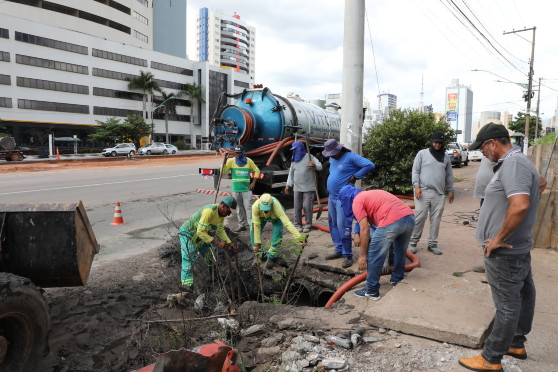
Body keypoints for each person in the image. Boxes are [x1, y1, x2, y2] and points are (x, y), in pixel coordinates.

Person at [458, 123, 540, 372]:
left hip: (504, 250)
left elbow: (520, 205)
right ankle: (516, 343)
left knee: (507, 303)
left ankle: (491, 357)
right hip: (517, 246)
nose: (481, 153)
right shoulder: (519, 163)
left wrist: (497, 237)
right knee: (524, 294)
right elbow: (541, 183)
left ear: (493, 143)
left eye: (482, 147)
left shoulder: (513, 164)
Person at [338, 185, 415, 300]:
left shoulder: (356, 202)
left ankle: (371, 290)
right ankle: (397, 279)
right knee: (400, 250)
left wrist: (362, 256)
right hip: (409, 217)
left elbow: (365, 229)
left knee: (374, 254)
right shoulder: (368, 194)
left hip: (392, 220)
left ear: (346, 199)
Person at [322, 139, 375, 268]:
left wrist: (356, 175)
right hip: (332, 197)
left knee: (343, 225)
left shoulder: (351, 157)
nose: (330, 155)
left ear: (338, 150)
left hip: (343, 198)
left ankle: (347, 254)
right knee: (333, 223)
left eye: (332, 153)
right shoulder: (332, 159)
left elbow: (370, 165)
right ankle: (339, 249)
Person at [408, 131, 455, 255]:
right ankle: (412, 243)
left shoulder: (445, 157)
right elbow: (415, 171)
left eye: (440, 143)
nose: (438, 145)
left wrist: (451, 190)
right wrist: (416, 186)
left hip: (439, 194)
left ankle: (432, 244)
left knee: (436, 220)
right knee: (420, 217)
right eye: (436, 142)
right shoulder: (422, 154)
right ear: (432, 142)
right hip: (422, 191)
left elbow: (449, 175)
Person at [178, 196, 237, 290]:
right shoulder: (209, 211)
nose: (228, 215)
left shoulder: (221, 215)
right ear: (223, 206)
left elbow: (220, 230)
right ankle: (187, 286)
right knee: (188, 257)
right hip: (188, 233)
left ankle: (214, 279)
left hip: (201, 236)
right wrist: (217, 243)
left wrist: (229, 243)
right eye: (228, 212)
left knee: (211, 255)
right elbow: (200, 231)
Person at [251, 193, 305, 269]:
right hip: (261, 217)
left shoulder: (276, 206)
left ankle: (272, 256)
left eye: (267, 209)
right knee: (252, 230)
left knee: (278, 233)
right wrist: (257, 243)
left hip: (276, 218)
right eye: (264, 208)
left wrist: (299, 237)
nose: (265, 211)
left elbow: (287, 223)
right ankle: (260, 253)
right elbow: (256, 225)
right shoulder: (255, 207)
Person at [284, 141, 323, 233]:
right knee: (297, 207)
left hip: (309, 187)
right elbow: (291, 174)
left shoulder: (310, 157)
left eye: (295, 150)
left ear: (300, 149)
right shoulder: (293, 160)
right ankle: (298, 224)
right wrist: (288, 185)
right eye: (293, 150)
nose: (293, 152)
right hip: (297, 187)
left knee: (306, 206)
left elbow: (320, 166)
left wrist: (314, 165)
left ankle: (308, 225)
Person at [222, 145, 260, 232]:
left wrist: (253, 182)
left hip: (246, 189)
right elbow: (223, 171)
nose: (238, 154)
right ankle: (241, 225)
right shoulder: (231, 161)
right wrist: (224, 160)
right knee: (239, 208)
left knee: (248, 208)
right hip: (236, 189)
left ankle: (251, 225)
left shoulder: (249, 161)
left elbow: (257, 170)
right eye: (236, 153)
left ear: (243, 153)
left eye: (239, 153)